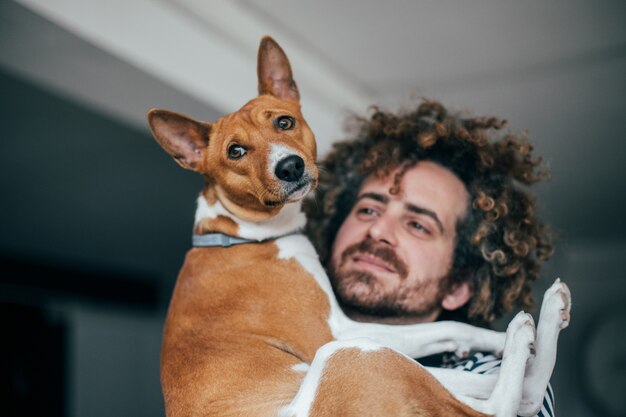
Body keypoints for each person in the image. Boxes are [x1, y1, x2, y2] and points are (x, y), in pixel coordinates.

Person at [305, 99, 556, 417]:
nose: (378, 230)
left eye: (417, 225)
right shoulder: (267, 336)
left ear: (458, 286)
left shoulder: (496, 380)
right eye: (368, 209)